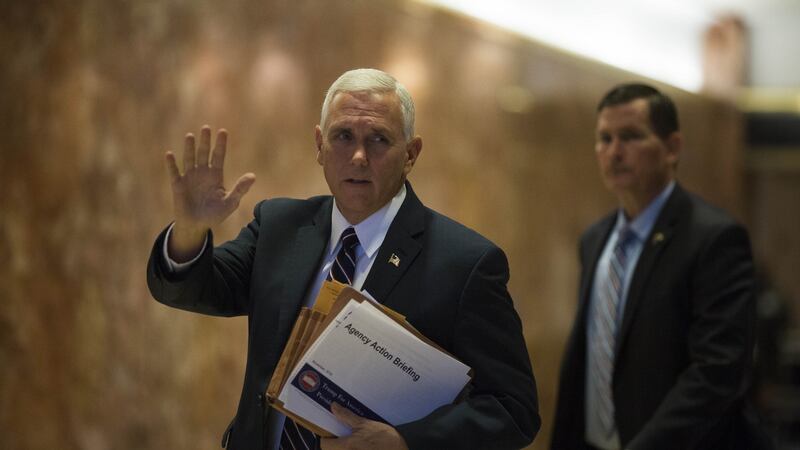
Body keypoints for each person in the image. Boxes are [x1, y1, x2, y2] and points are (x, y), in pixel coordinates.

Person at [147, 68, 540, 450]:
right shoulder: (280, 226)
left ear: (411, 153)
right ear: (319, 145)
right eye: (343, 136)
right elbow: (193, 289)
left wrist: (407, 442)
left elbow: (513, 409)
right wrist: (190, 231)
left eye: (379, 140)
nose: (357, 156)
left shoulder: (465, 263)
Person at [550, 83, 765, 450]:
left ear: (672, 148)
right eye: (604, 139)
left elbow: (718, 372)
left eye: (631, 137)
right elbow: (592, 359)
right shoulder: (595, 240)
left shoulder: (714, 238)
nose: (614, 152)